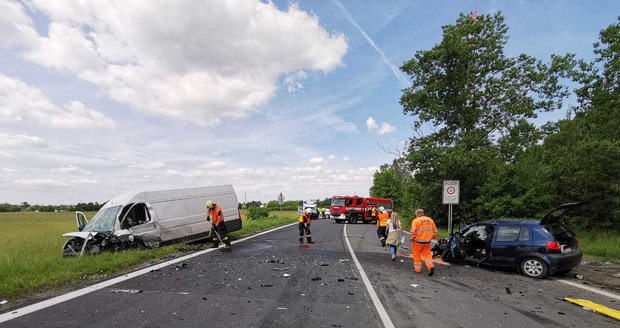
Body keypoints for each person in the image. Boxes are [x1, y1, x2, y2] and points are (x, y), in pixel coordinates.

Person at [410, 208, 437, 276]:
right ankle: (430, 266)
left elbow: (413, 231)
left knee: (416, 255)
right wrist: (431, 237)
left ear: (417, 214)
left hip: (417, 242)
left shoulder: (415, 221)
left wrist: (413, 237)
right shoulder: (430, 220)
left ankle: (418, 269)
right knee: (427, 255)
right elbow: (435, 231)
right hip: (427, 242)